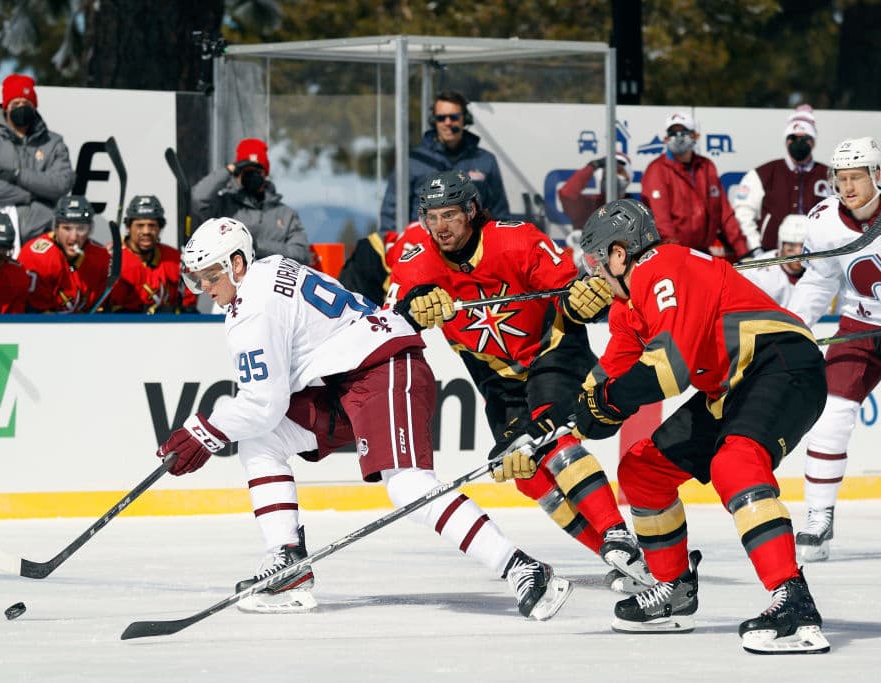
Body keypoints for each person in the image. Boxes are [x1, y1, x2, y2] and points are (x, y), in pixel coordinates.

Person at [158, 215, 572, 621]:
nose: (205, 287)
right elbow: (273, 399)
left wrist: (202, 432)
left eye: (211, 275)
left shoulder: (252, 310)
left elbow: (264, 401)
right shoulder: (269, 270)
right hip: (346, 380)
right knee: (261, 440)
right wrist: (213, 432)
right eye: (197, 279)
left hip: (383, 368)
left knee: (407, 484)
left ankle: (522, 568)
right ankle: (288, 565)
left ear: (236, 263)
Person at [502, 198, 827, 653]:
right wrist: (549, 423)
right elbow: (604, 384)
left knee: (736, 463)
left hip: (781, 362)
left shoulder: (662, 264)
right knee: (642, 470)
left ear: (620, 253)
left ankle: (793, 601)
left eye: (596, 261)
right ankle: (673, 589)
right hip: (730, 386)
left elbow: (668, 371)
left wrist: (607, 401)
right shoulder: (627, 308)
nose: (592, 275)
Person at [384, 170, 652, 594]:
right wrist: (412, 306)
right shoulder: (415, 256)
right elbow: (391, 315)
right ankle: (613, 551)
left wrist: (584, 300)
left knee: (546, 434)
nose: (441, 227)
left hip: (552, 349)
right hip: (496, 376)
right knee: (524, 470)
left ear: (471, 210)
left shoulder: (516, 239)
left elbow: (572, 291)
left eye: (450, 215)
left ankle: (617, 532)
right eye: (432, 217)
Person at [785, 137, 881, 562]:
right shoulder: (823, 221)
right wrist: (788, 328)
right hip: (859, 324)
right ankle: (818, 517)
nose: (848, 187)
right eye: (841, 179)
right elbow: (820, 281)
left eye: (857, 177)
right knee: (831, 415)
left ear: (877, 175)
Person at [379, 90, 509, 231]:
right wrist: (391, 244)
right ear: (434, 121)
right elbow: (391, 211)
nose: (447, 123)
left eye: (453, 117)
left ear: (464, 119)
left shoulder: (485, 160)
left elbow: (499, 212)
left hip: (472, 247)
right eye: (441, 118)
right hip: (423, 245)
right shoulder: (413, 162)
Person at [0, 73, 76, 244]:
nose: (21, 107)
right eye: (16, 103)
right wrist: (31, 195)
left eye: (26, 103)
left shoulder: (54, 142)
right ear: (6, 107)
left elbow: (61, 184)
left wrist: (19, 176)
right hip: (0, 239)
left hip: (45, 235)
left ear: (34, 107)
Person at [641, 111, 753, 259]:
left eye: (683, 132)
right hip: (669, 255)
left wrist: (743, 252)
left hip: (702, 252)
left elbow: (724, 215)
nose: (678, 137)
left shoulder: (706, 167)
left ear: (695, 136)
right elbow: (662, 222)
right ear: (666, 138)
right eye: (673, 133)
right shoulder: (657, 170)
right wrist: (678, 256)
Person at [190, 138, 311, 265]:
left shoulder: (285, 214)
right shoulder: (223, 205)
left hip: (271, 281)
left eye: (257, 172)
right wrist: (229, 170)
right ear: (238, 173)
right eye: (247, 172)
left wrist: (254, 245)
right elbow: (198, 198)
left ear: (265, 174)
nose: (253, 176)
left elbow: (301, 254)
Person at [732, 105, 831, 253]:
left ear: (813, 141)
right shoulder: (763, 173)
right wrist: (755, 248)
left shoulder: (829, 175)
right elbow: (743, 212)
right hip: (771, 253)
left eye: (805, 138)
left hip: (817, 254)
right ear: (786, 140)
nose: (799, 142)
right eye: (793, 137)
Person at [18, 194, 110, 313]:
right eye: (67, 228)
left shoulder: (100, 258)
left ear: (89, 230)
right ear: (55, 228)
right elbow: (34, 315)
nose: (73, 237)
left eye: (81, 228)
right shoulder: (39, 256)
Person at [107, 194, 196, 313]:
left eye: (152, 225)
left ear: (160, 227)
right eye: (140, 225)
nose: (146, 231)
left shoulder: (175, 259)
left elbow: (189, 307)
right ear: (128, 227)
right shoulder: (110, 259)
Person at [740, 214, 809, 307]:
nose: (798, 254)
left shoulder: (822, 269)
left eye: (803, 247)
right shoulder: (757, 275)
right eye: (791, 248)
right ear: (780, 246)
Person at [558, 151, 633, 231]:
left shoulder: (635, 206)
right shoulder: (589, 205)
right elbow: (567, 194)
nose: (612, 177)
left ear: (628, 177)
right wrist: (592, 166)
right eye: (607, 173)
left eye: (619, 171)